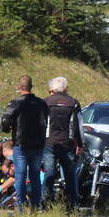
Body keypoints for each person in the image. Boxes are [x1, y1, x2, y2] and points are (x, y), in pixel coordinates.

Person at [0, 75, 49, 210]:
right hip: (38, 145)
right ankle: (36, 205)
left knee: (20, 175)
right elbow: (47, 121)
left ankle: (20, 206)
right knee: (35, 176)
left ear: (19, 87)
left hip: (21, 144)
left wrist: (6, 128)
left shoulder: (16, 102)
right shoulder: (41, 103)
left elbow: (5, 120)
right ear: (31, 86)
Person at [43, 76, 82, 207]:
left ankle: (45, 203)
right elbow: (78, 126)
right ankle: (72, 204)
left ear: (52, 89)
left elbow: (40, 123)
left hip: (49, 143)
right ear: (65, 88)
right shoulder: (74, 103)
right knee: (70, 174)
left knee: (49, 173)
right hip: (67, 143)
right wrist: (79, 144)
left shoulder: (46, 102)